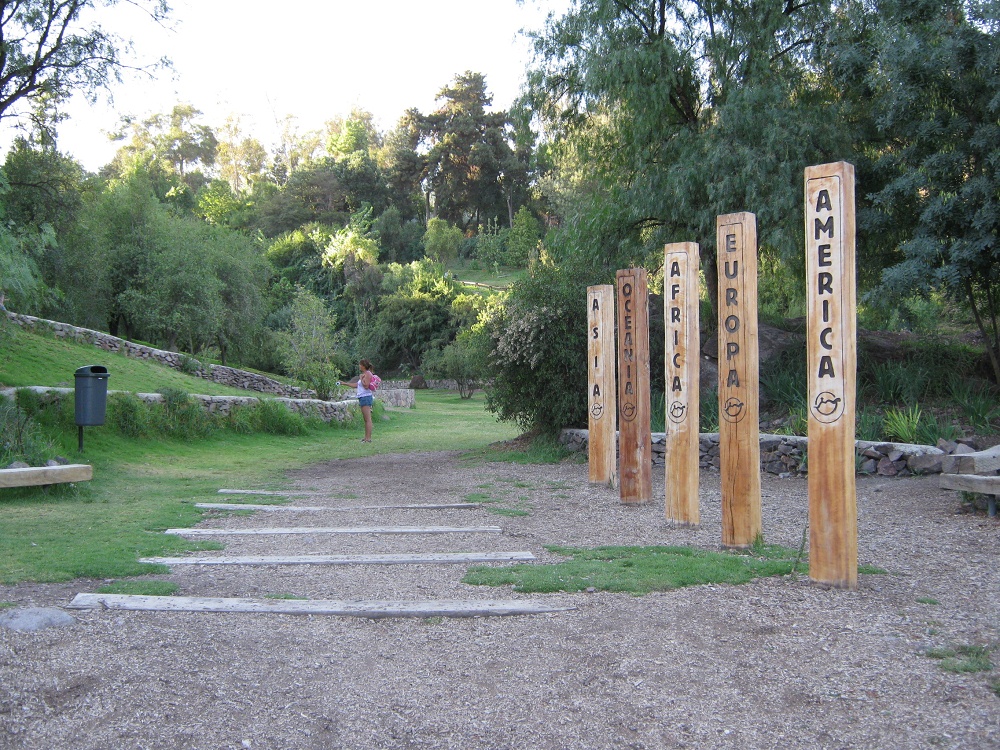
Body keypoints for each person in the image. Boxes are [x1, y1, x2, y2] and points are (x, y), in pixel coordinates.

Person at [337, 359, 376, 442]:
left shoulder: (368, 374)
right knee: (365, 419)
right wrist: (344, 383)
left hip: (366, 397)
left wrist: (361, 378)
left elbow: (366, 386)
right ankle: (366, 437)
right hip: (362, 397)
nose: (359, 366)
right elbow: (357, 385)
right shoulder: (364, 374)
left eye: (360, 364)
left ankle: (368, 439)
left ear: (363, 365)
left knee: (368, 419)